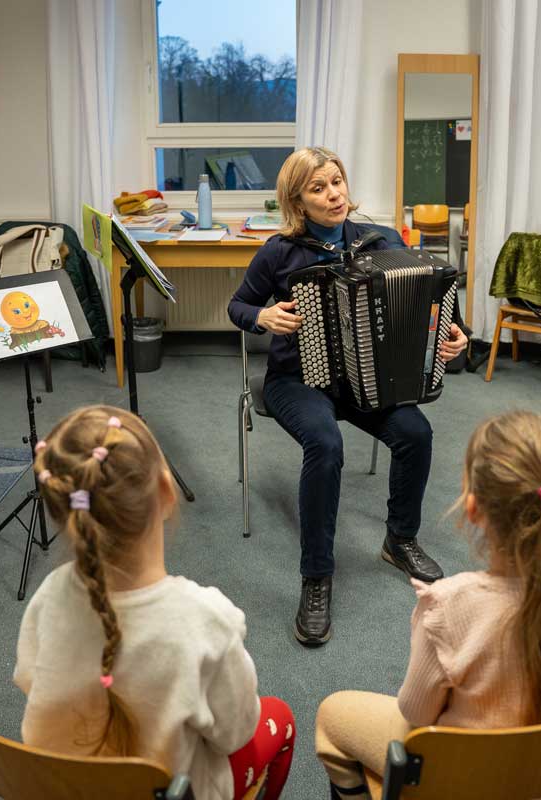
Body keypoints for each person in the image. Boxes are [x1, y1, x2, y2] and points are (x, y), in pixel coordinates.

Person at [228, 146, 468, 647]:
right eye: (318, 188)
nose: (333, 194)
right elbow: (239, 304)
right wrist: (262, 317)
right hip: (296, 379)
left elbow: (431, 302)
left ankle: (399, 539)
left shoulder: (381, 240)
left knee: (415, 433)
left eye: (336, 181)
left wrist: (454, 335)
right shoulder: (279, 251)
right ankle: (317, 575)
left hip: (366, 382)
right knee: (325, 444)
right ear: (298, 201)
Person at [315, 411, 541, 798]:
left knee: (331, 715)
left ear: (473, 508)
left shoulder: (449, 607)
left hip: (467, 783)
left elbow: (416, 714)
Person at [14, 405, 295, 800]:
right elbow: (236, 734)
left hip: (65, 787)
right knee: (279, 718)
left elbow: (30, 680)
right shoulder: (205, 619)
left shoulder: (48, 596)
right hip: (179, 790)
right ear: (166, 491)